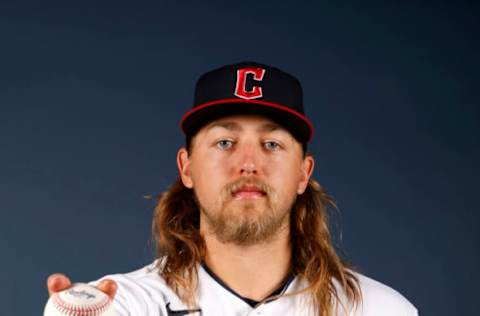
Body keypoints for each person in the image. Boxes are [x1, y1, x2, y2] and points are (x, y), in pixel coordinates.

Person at [46, 61, 418, 316]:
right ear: (187, 167)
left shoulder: (379, 309)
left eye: (272, 144)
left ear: (304, 173)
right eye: (225, 142)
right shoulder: (125, 303)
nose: (248, 163)